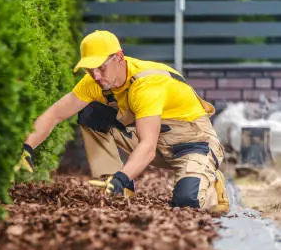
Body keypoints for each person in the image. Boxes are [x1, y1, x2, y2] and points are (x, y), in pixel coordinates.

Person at [18, 30, 229, 213]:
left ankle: (211, 181)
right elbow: (55, 114)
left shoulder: (147, 84)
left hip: (193, 144)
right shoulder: (95, 81)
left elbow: (147, 149)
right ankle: (114, 185)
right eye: (89, 70)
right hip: (154, 139)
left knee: (186, 203)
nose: (96, 75)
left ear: (119, 57)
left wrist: (123, 176)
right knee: (91, 114)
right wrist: (27, 147)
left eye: (100, 68)